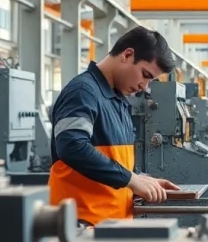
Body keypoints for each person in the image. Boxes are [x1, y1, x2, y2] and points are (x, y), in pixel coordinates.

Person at [48, 26, 180, 226]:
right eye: (145, 74)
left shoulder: (119, 103)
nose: (145, 86)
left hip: (111, 225)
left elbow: (116, 162)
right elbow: (72, 146)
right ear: (127, 55)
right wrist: (131, 180)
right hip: (79, 225)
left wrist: (141, 180)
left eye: (151, 80)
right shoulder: (83, 92)